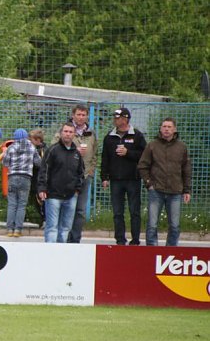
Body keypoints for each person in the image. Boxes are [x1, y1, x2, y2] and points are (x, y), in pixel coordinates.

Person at [138, 118, 192, 246]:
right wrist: (149, 183)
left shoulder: (181, 147)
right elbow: (142, 166)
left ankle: (171, 250)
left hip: (175, 191)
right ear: (160, 129)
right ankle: (152, 249)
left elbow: (186, 169)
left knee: (174, 225)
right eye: (164, 126)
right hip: (156, 190)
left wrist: (187, 190)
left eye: (169, 127)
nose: (166, 129)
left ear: (175, 129)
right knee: (152, 224)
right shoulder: (152, 145)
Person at [100, 107, 146, 245]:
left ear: (126, 119)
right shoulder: (109, 137)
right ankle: (120, 239)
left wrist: (128, 153)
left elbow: (144, 156)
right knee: (117, 212)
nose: (115, 120)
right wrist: (104, 177)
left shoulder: (137, 135)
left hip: (133, 179)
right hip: (116, 180)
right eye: (115, 117)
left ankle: (135, 239)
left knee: (134, 211)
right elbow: (105, 158)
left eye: (118, 118)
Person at [52, 104, 97, 243]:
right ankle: (62, 239)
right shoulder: (65, 130)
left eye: (84, 115)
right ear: (73, 115)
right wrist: (74, 149)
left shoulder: (91, 133)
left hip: (84, 176)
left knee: (80, 211)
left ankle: (75, 240)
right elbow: (54, 148)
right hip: (67, 176)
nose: (81, 117)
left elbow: (95, 154)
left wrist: (90, 171)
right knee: (65, 208)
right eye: (78, 114)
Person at [38, 123, 84, 243]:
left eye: (70, 132)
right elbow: (44, 170)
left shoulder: (77, 154)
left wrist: (77, 189)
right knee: (52, 227)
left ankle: (62, 253)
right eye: (65, 131)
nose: (68, 134)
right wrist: (42, 188)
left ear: (74, 134)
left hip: (71, 195)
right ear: (61, 133)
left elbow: (81, 172)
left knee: (65, 228)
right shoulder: (52, 150)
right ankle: (50, 253)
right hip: (53, 195)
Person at [2, 129, 39, 237]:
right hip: (26, 178)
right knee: (22, 205)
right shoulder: (32, 147)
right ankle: (18, 230)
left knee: (12, 204)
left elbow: (5, 162)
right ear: (27, 137)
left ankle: (9, 230)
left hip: (13, 177)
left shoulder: (11, 148)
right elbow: (38, 162)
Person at [28, 128, 47, 227]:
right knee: (35, 198)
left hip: (39, 178)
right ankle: (42, 218)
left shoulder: (42, 150)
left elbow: (41, 164)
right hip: (33, 177)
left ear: (38, 140)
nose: (30, 141)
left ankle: (45, 219)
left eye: (32, 140)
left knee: (40, 198)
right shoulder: (33, 148)